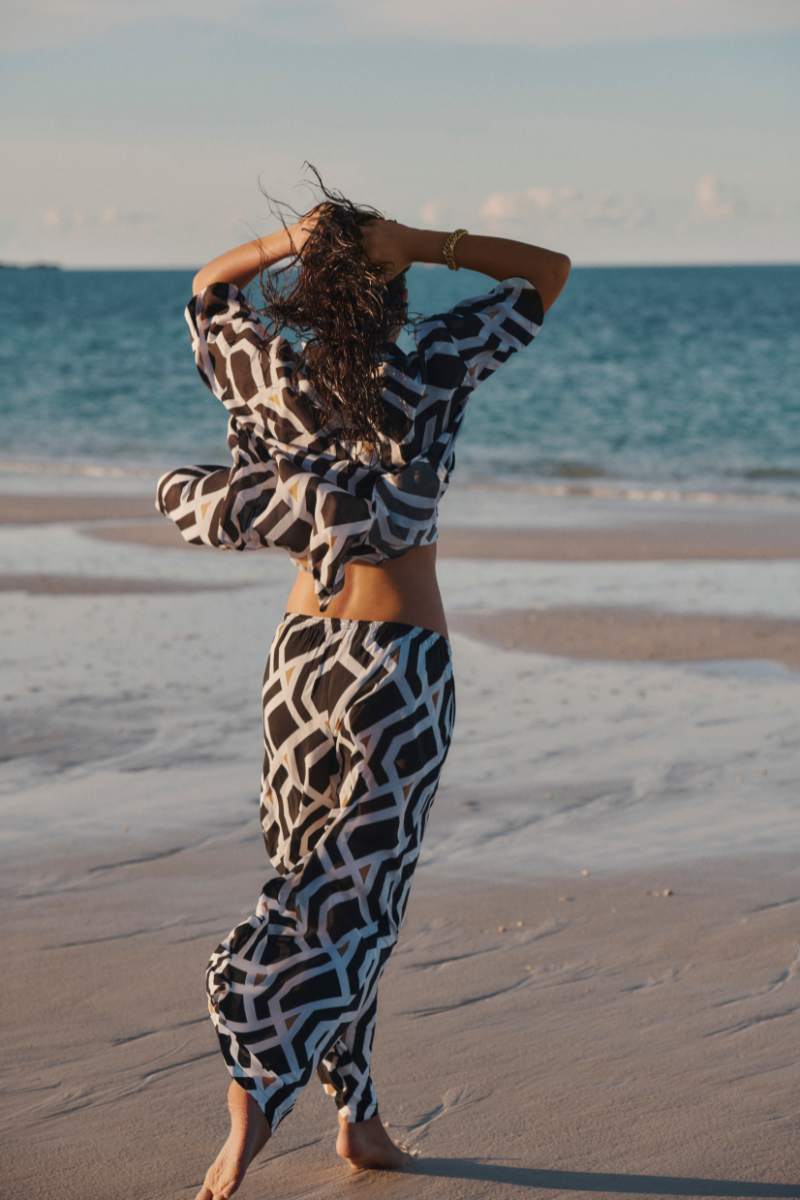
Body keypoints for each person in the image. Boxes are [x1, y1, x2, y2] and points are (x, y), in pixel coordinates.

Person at [157, 180, 570, 1200]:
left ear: (308, 287)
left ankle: (360, 1117)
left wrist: (285, 240)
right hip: (395, 666)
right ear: (393, 287)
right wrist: (423, 241)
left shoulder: (271, 377)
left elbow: (207, 288)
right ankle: (257, 1087)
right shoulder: (432, 363)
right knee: (358, 897)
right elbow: (547, 274)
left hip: (300, 663)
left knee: (320, 884)